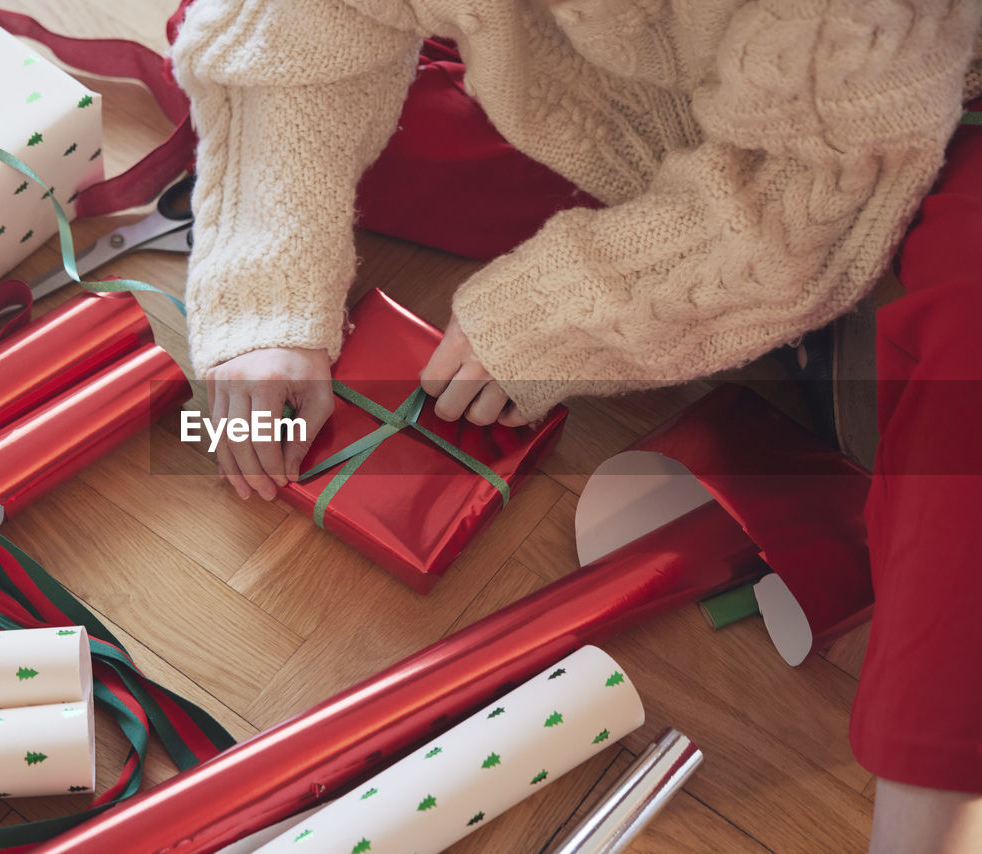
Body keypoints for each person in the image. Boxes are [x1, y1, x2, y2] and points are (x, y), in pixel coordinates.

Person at [171, 2, 982, 851]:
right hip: (669, 102)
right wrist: (267, 294)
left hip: (868, 139)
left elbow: (816, 198)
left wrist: (565, 315)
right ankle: (793, 324)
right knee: (227, 48)